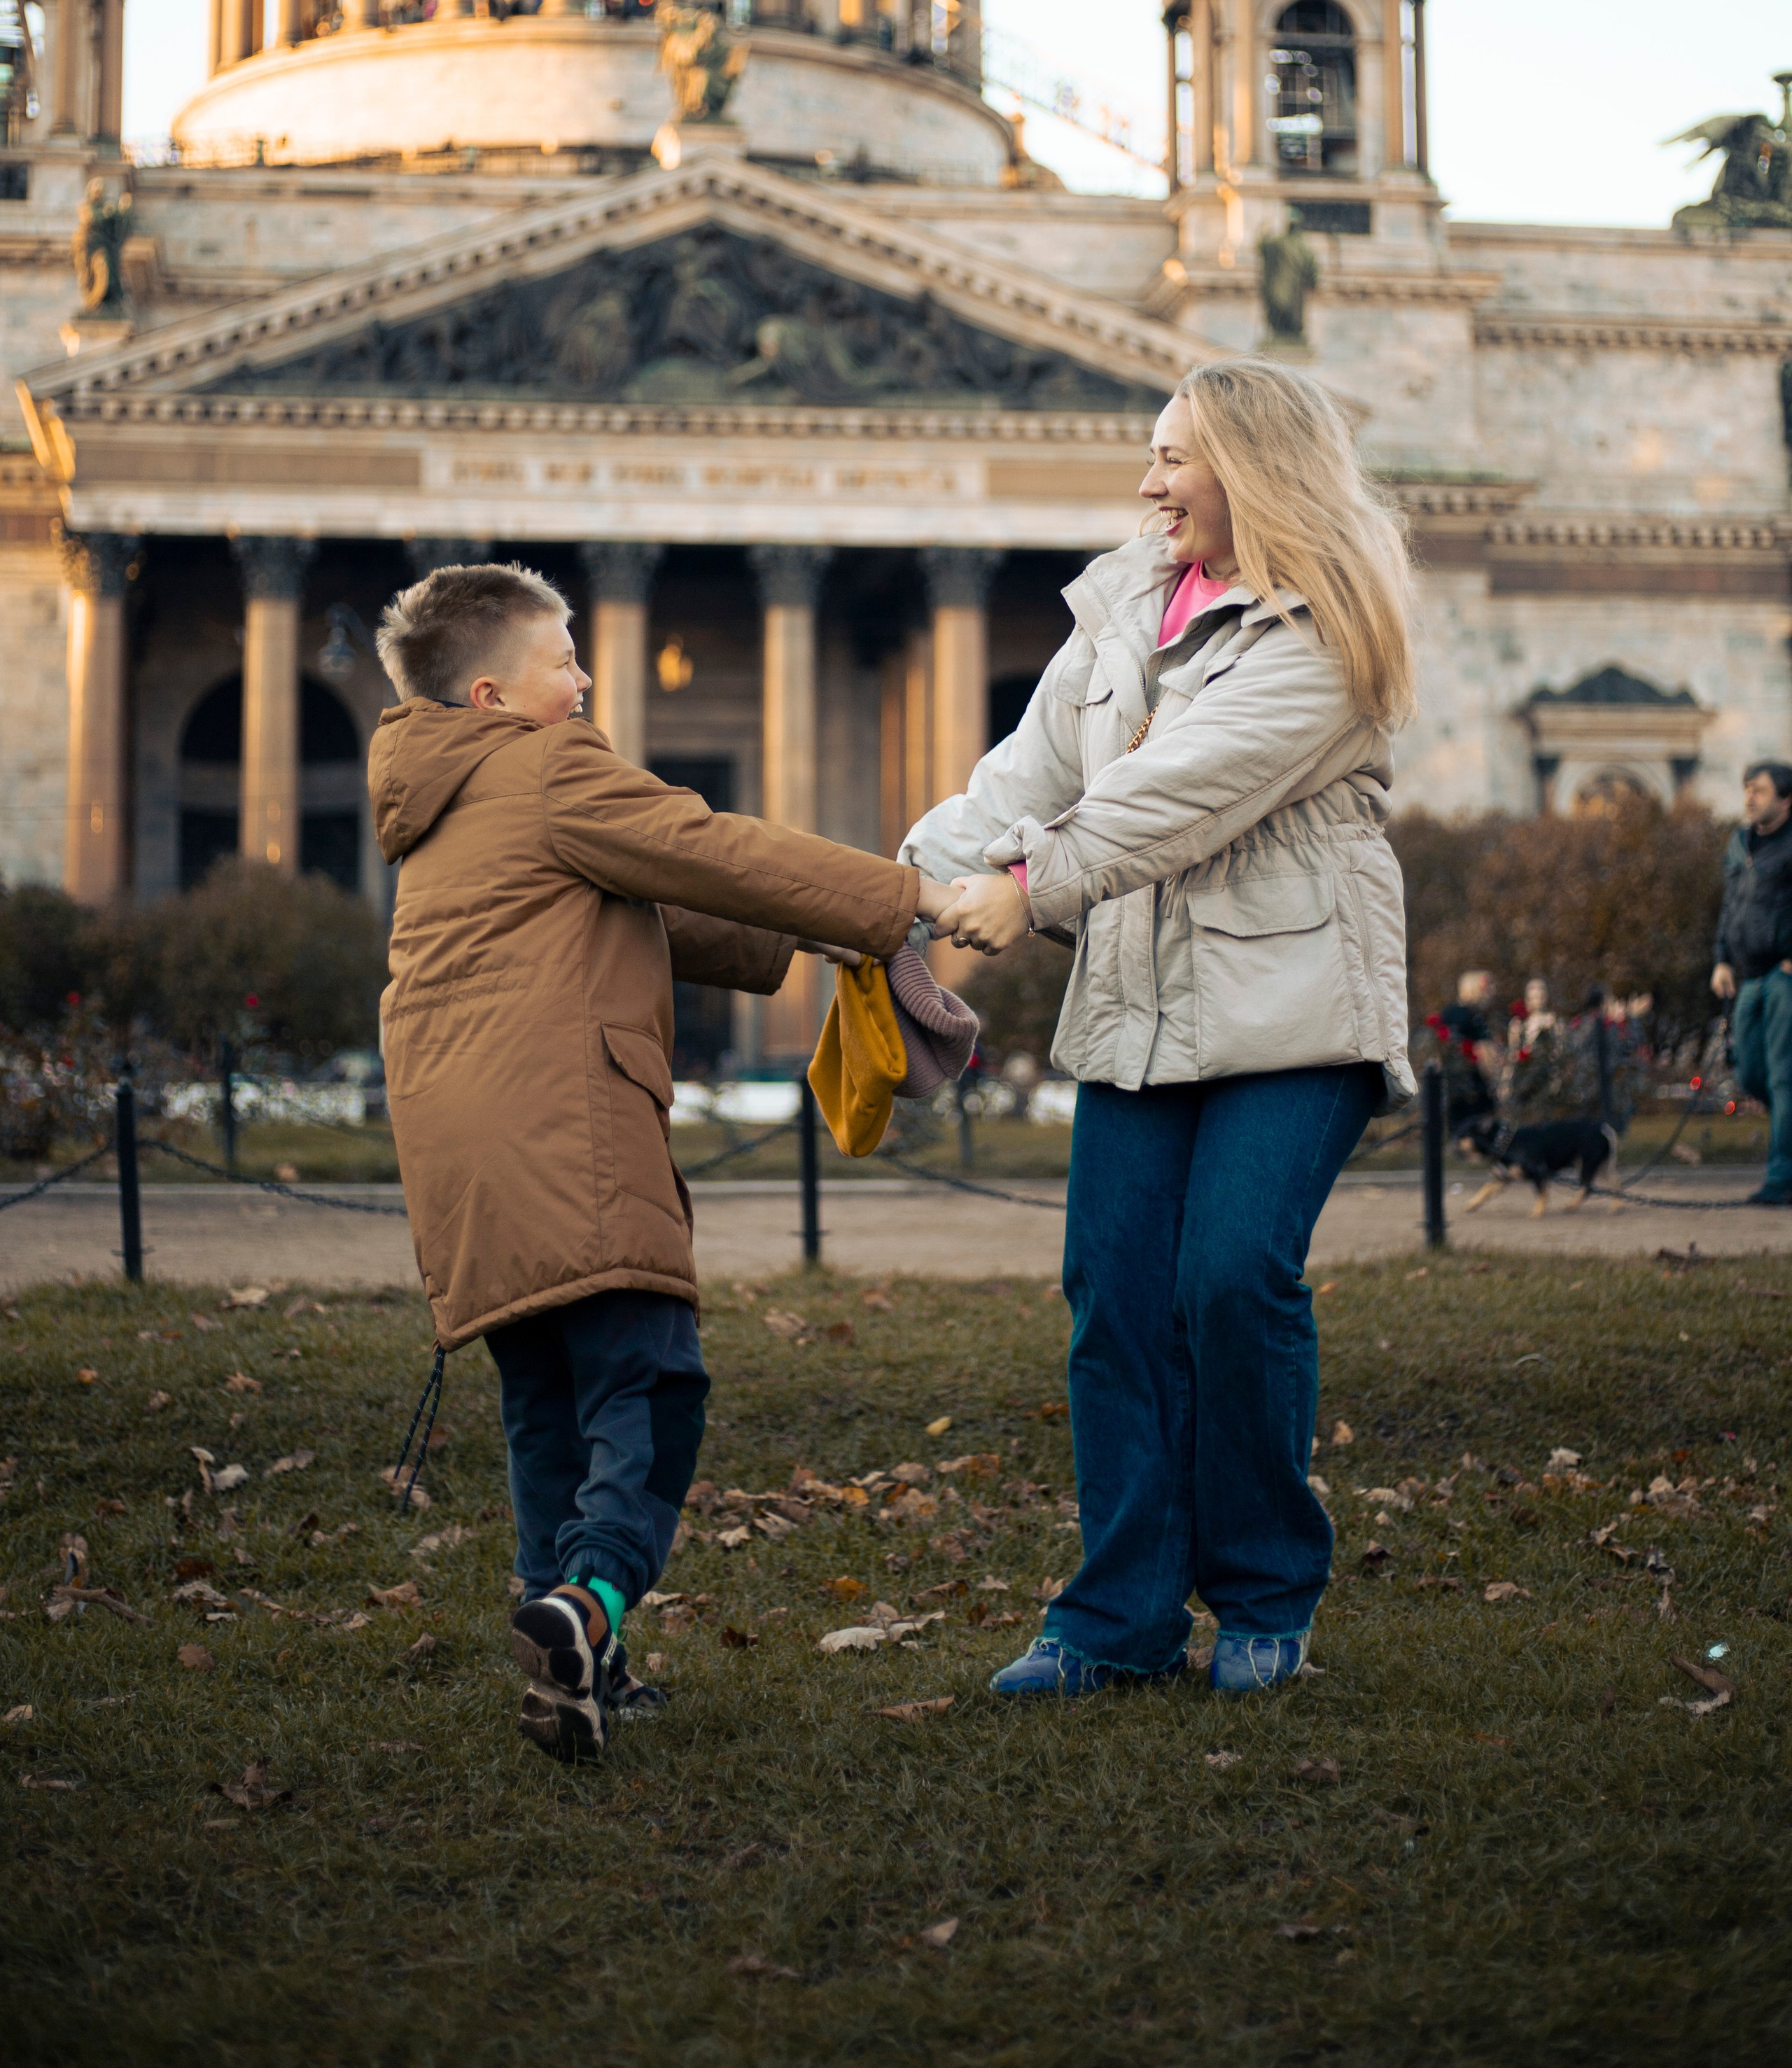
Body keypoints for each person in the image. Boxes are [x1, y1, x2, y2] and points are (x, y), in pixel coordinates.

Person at [370, 561, 963, 1761]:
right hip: (570, 1133)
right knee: (651, 1384)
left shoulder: (445, 811)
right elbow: (704, 844)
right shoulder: (549, 767)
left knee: (546, 1406)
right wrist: (904, 902)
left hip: (464, 1160)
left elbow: (649, 901)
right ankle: (592, 1602)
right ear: (491, 695)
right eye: (563, 665)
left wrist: (807, 928)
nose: (587, 683)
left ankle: (577, 1669)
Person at [902, 356, 1415, 1700]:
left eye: (1175, 459)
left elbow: (1172, 798)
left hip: (1298, 1010)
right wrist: (890, 894)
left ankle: (1263, 1592)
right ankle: (1117, 1619)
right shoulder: (1122, 603)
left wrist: (1022, 886)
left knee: (1231, 1281)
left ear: (1254, 468)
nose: (1148, 484)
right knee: (1114, 1303)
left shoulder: (1327, 633)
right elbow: (1023, 778)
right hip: (1139, 1005)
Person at [1711, 757, 1792, 1208]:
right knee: (1751, 1073)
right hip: (1748, 977)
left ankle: (1781, 1180)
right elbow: (1730, 904)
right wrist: (1721, 959)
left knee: (1784, 1079)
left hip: (1784, 978)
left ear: (1785, 800)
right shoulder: (1739, 842)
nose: (1749, 797)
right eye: (1746, 788)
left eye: (1759, 790)